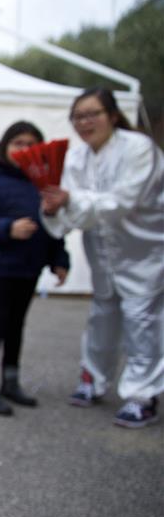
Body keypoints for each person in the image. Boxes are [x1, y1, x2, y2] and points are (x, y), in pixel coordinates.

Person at [40, 88, 163, 428]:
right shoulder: (77, 159)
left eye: (92, 113)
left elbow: (123, 201)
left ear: (112, 115)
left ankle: (142, 395)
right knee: (102, 315)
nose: (85, 122)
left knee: (142, 320)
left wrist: (70, 201)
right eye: (78, 116)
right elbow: (71, 211)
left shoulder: (139, 149)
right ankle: (93, 378)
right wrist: (52, 210)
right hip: (103, 255)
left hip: (145, 254)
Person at [0, 121, 69, 416]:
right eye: (18, 143)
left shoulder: (44, 182)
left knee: (17, 324)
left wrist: (60, 259)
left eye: (31, 144)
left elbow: (54, 226)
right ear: (5, 146)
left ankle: (10, 379)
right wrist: (8, 228)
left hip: (30, 264)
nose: (24, 150)